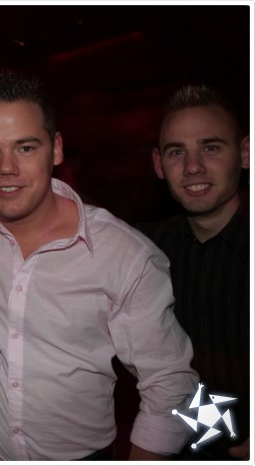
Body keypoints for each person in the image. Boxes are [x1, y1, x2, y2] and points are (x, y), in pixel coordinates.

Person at [0, 70, 199, 460]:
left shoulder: (124, 255)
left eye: (26, 148)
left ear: (56, 149)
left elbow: (171, 385)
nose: (7, 168)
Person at [138, 84, 250, 460]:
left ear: (245, 153)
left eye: (211, 148)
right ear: (158, 164)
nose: (192, 167)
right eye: (176, 152)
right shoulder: (144, 249)